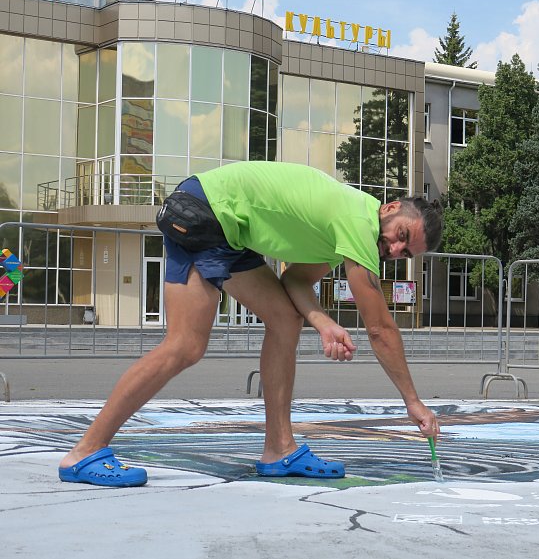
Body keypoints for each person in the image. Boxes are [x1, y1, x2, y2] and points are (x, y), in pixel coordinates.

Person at [58, 161, 444, 487]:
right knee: (185, 346)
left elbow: (294, 280)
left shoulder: (346, 227)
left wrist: (322, 322)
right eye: (401, 236)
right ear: (390, 207)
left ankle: (279, 449)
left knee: (284, 319)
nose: (394, 249)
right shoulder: (359, 224)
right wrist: (412, 401)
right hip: (204, 213)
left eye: (405, 252)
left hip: (226, 226)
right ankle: (85, 451)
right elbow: (380, 329)